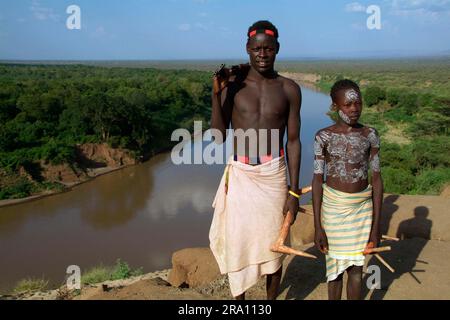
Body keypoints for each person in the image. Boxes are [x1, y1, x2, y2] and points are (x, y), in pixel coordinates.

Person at [209, 20, 302, 300]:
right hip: (242, 175)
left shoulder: (289, 89)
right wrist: (216, 94)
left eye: (268, 49)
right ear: (247, 49)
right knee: (238, 242)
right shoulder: (232, 87)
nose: (262, 54)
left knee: (275, 244)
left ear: (277, 49)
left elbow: (294, 141)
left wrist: (294, 191)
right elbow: (217, 137)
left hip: (274, 175)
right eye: (257, 49)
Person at [312, 79, 383, 300]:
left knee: (356, 268)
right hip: (333, 210)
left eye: (358, 104)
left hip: (361, 209)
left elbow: (377, 181)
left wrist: (376, 226)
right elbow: (317, 180)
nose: (354, 109)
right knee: (334, 272)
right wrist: (318, 226)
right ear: (335, 107)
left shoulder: (370, 135)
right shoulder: (323, 137)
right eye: (347, 105)